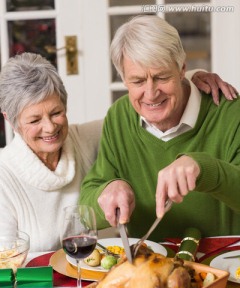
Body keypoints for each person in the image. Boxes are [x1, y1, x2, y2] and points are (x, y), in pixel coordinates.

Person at [80, 15, 240, 242]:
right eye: (137, 81)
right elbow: (87, 209)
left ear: (182, 68)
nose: (151, 93)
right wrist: (106, 192)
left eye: (161, 77)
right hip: (150, 267)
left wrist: (204, 168)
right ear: (124, 79)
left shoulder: (228, 111)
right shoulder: (119, 117)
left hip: (225, 266)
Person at [0, 52, 102, 251]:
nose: (49, 127)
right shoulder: (4, 176)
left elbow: (135, 116)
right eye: (35, 120)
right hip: (39, 283)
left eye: (56, 113)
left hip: (97, 278)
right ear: (11, 121)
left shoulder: (84, 139)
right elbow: (5, 267)